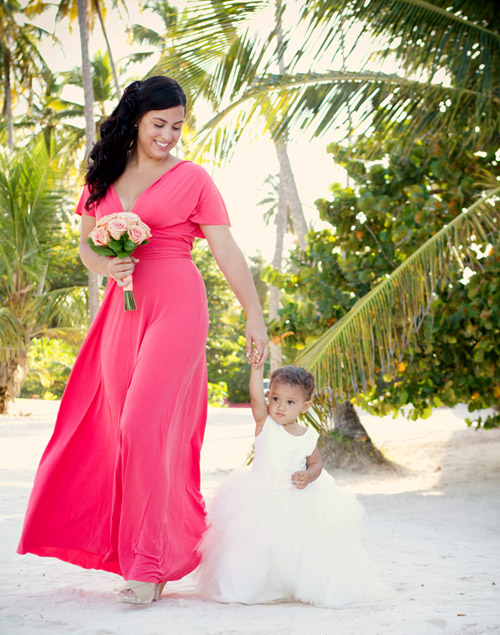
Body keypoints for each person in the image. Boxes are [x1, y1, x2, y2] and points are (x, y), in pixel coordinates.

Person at [18, 75, 268, 606]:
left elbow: (225, 249)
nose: (170, 135)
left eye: (178, 126)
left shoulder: (194, 178)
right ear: (135, 119)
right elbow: (86, 247)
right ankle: (133, 552)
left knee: (142, 424)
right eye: (160, 124)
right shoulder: (102, 174)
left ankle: (149, 566)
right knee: (111, 429)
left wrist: (254, 314)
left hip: (177, 305)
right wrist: (107, 264)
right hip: (122, 308)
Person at [198, 362, 383, 606]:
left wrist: (308, 476)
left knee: (294, 546)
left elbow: (316, 464)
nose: (280, 407)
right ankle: (251, 587)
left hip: (294, 498)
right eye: (275, 398)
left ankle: (289, 585)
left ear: (305, 406)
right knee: (254, 544)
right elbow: (255, 397)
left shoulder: (307, 436)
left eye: (290, 402)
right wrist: (257, 368)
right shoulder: (265, 423)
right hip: (257, 495)